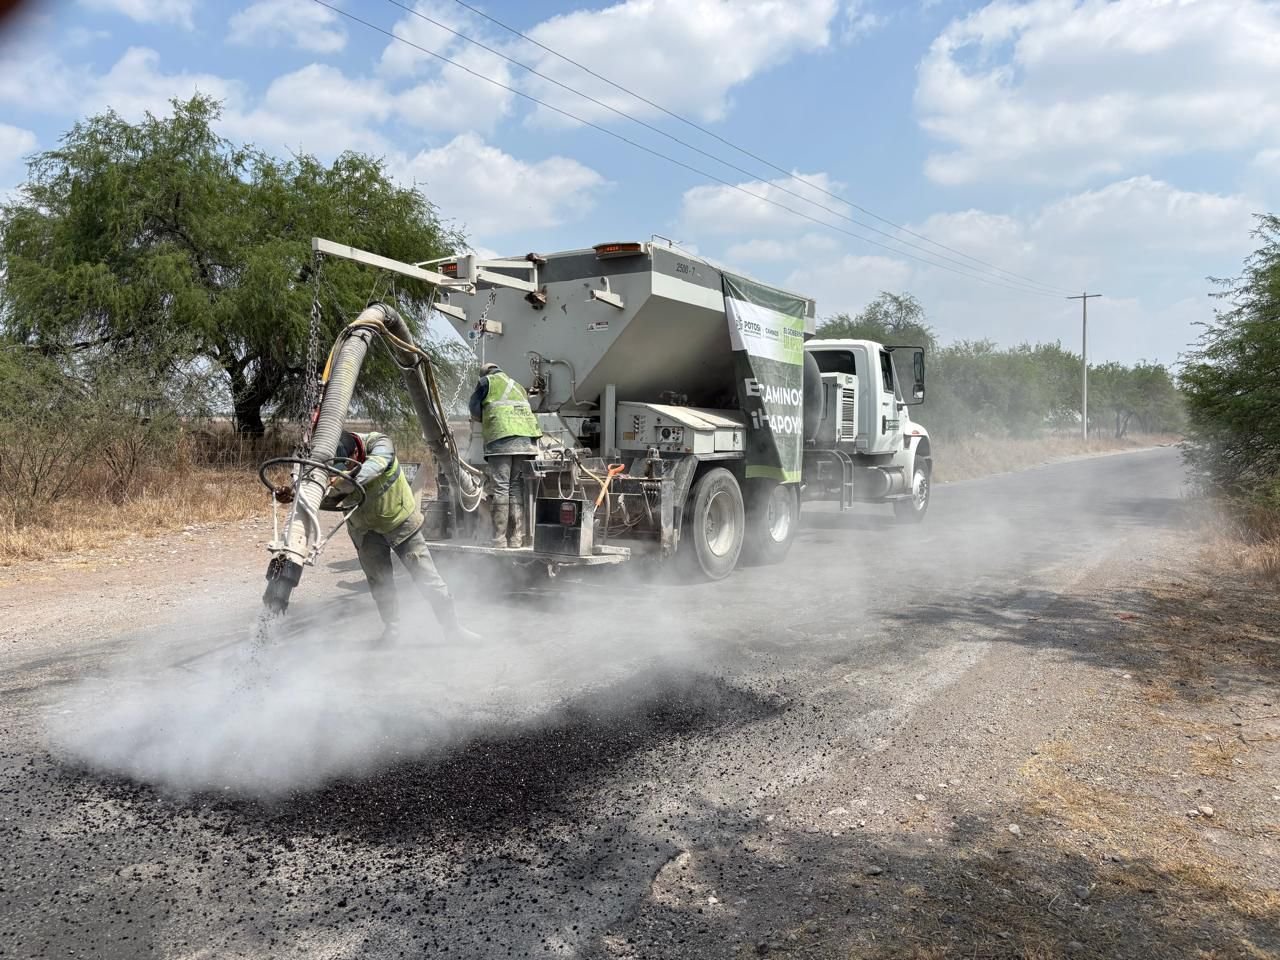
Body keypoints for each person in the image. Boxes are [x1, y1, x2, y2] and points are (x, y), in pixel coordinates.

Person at [329, 429, 478, 645]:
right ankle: (393, 631)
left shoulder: (379, 443)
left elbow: (372, 469)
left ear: (354, 453)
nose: (342, 471)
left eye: (346, 465)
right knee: (380, 583)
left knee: (427, 578)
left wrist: (339, 482)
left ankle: (453, 629)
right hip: (364, 529)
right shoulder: (329, 461)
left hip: (400, 521)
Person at [468, 362, 542, 547]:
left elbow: (474, 409)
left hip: (502, 438)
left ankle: (499, 539)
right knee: (516, 487)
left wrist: (481, 419)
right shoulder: (516, 385)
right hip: (526, 440)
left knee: (501, 487)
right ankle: (516, 538)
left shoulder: (486, 382)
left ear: (485, 373)